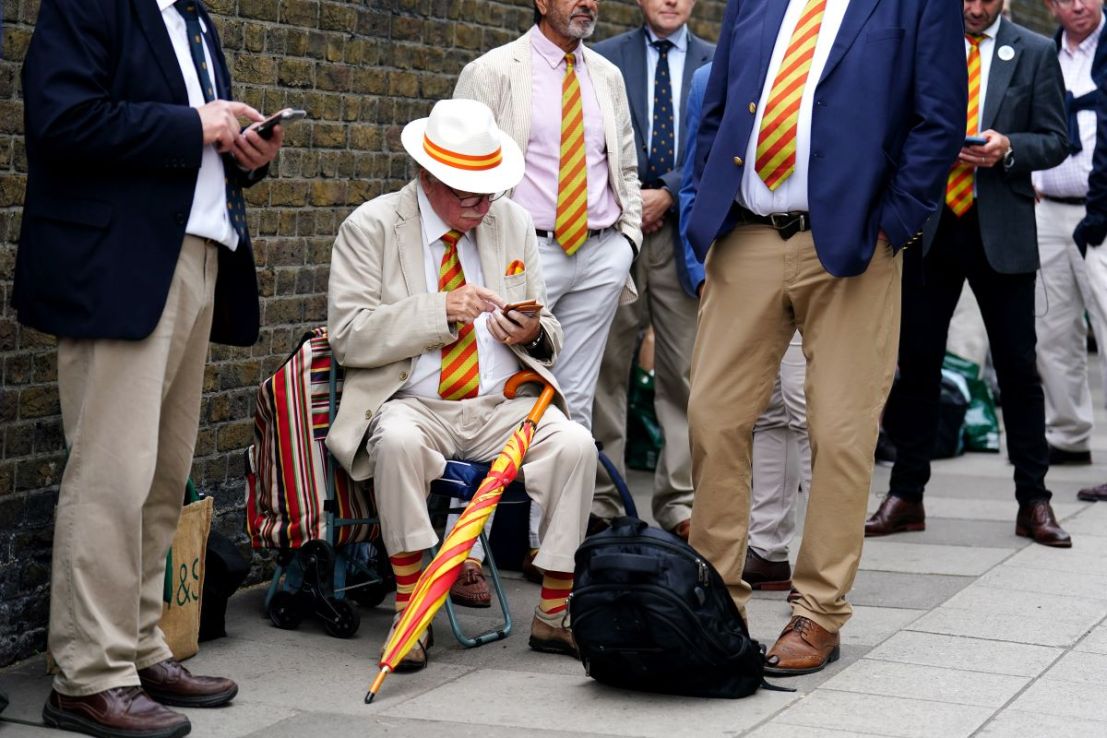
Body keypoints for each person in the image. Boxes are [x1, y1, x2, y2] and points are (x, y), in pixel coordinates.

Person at [14, 1, 284, 735]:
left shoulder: (193, 21)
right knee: (111, 474)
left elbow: (196, 149)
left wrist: (244, 153)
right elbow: (61, 121)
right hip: (119, 266)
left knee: (164, 474)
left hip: (198, 256)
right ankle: (87, 674)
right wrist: (195, 125)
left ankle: (136, 646)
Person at [685, 0, 966, 676]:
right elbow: (719, 105)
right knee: (712, 417)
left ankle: (817, 612)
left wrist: (893, 224)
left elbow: (938, 120)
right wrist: (703, 203)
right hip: (745, 234)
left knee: (840, 433)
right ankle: (714, 601)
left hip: (851, 245)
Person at [326, 98, 595, 669]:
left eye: (489, 190)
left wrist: (532, 331)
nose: (481, 204)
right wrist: (438, 309)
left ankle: (553, 613)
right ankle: (410, 609)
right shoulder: (370, 227)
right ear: (427, 177)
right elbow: (348, 336)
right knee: (395, 441)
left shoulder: (512, 221)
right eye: (466, 191)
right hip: (414, 401)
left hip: (502, 402)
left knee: (575, 443)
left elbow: (546, 327)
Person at [451, 0, 641, 590]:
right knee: (490, 392)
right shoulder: (491, 71)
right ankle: (467, 554)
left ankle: (551, 550)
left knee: (574, 404)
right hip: (520, 254)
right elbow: (461, 166)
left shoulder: (606, 75)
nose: (587, 2)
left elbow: (626, 168)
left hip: (600, 251)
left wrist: (627, 241)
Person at [871, 0, 1071, 549]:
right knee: (916, 365)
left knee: (1018, 369)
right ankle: (906, 494)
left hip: (999, 228)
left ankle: (1034, 500)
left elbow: (1056, 139)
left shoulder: (1033, 51)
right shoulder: (923, 42)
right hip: (932, 227)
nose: (975, 8)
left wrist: (1010, 148)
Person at [679, 62, 810, 593]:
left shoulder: (830, 64)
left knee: (807, 405)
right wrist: (701, 267)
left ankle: (820, 566)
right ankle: (767, 547)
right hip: (739, 261)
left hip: (817, 253)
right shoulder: (711, 77)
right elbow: (697, 175)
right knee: (758, 410)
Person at [588, 0, 714, 541]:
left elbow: (721, 142)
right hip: (616, 232)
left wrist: (669, 190)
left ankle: (679, 503)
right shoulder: (603, 59)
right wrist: (632, 199)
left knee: (686, 375)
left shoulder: (720, 61)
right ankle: (602, 501)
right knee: (605, 372)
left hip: (682, 237)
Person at [1033, 0, 1107, 467]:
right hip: (1047, 212)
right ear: (1048, 5)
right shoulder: (1040, 53)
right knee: (1052, 330)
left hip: (1102, 212)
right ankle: (1066, 434)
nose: (1079, 4)